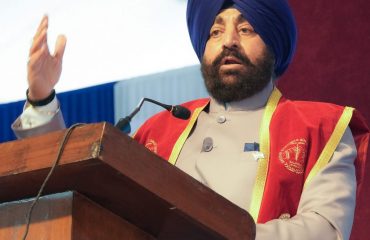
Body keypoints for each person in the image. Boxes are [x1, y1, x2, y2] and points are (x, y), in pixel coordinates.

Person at [11, 1, 369, 239]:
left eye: (246, 30)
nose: (228, 41)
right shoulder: (162, 127)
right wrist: (41, 97)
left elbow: (325, 230)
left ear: (274, 46)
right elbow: (76, 187)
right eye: (215, 32)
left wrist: (216, 229)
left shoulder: (321, 127)